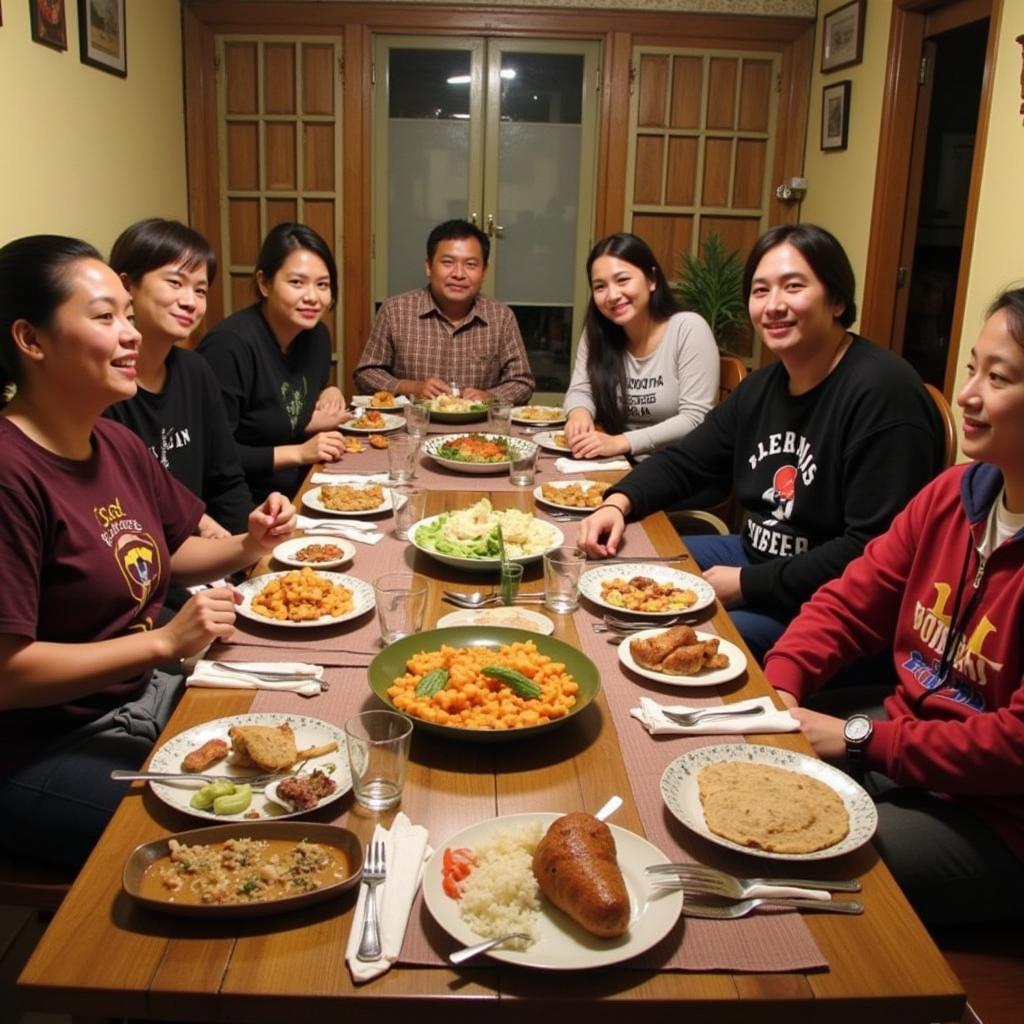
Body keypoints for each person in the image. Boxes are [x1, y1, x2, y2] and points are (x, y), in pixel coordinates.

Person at [0, 235, 296, 869]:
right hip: (39, 747)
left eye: (127, 316)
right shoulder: (11, 472)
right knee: (234, 841)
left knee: (292, 767)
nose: (130, 334)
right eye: (106, 317)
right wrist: (163, 643)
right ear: (32, 340)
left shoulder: (112, 442)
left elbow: (172, 552)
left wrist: (251, 542)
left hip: (138, 702)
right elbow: (8, 672)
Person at [763, 289, 1024, 926]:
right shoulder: (952, 495)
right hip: (902, 740)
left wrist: (862, 740)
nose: (968, 395)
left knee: (805, 861)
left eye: (999, 377)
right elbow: (851, 602)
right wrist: (782, 688)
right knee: (753, 777)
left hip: (998, 818)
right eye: (971, 368)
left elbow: (1015, 747)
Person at [577, 223, 944, 662]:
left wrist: (749, 585)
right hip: (752, 554)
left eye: (793, 287)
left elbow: (871, 550)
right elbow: (688, 461)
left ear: (838, 300)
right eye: (760, 290)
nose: (774, 306)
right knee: (616, 566)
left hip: (830, 601)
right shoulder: (765, 386)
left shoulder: (884, 393)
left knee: (678, 642)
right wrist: (617, 503)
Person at [104, 218, 252, 536]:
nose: (190, 301)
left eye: (200, 290)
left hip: (210, 558)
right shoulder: (104, 385)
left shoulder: (196, 372)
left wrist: (251, 553)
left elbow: (226, 480)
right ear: (127, 285)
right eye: (175, 283)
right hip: (142, 563)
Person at [198, 223, 349, 504]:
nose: (312, 297)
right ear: (264, 283)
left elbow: (289, 406)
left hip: (302, 485)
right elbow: (212, 453)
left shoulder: (316, 336)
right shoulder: (229, 345)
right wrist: (299, 453)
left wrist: (328, 389)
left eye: (323, 284)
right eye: (296, 282)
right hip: (242, 498)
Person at [563, 232, 718, 459]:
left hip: (680, 464)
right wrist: (579, 414)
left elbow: (696, 417)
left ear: (652, 279)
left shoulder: (688, 328)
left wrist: (621, 442)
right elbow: (581, 389)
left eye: (623, 280)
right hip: (618, 461)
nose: (613, 295)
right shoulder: (598, 332)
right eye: (600, 287)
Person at [353, 218, 534, 403]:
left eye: (470, 265)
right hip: (413, 427)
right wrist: (411, 388)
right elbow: (366, 374)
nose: (459, 274)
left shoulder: (501, 316)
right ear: (429, 266)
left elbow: (522, 382)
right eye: (448, 263)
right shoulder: (395, 311)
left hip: (478, 428)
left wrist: (490, 396)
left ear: (484, 272)